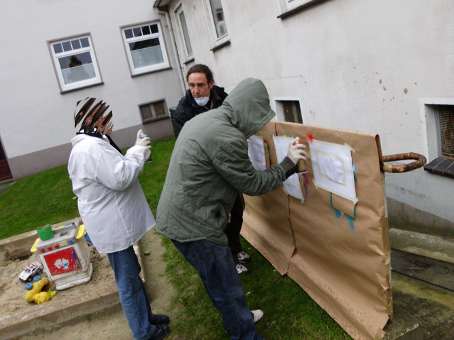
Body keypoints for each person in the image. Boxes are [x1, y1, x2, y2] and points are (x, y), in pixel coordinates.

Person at [156, 78, 307, 340]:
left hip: (180, 217)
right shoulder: (226, 137)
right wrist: (288, 163)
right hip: (195, 226)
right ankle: (244, 332)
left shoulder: (207, 120)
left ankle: (239, 318)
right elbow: (254, 184)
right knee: (226, 286)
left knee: (217, 280)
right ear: (248, 110)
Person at [67, 97, 170, 340]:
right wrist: (139, 151)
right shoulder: (90, 148)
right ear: (91, 120)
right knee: (127, 280)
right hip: (111, 224)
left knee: (132, 272)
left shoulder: (93, 143)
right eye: (104, 119)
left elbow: (115, 168)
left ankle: (146, 319)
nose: (109, 123)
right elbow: (120, 178)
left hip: (110, 221)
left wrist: (135, 151)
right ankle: (143, 332)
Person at [172, 64, 250, 275]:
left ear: (211, 84)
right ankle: (230, 260)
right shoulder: (182, 113)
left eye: (200, 85)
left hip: (229, 166)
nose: (195, 90)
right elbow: (186, 147)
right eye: (191, 86)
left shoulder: (224, 100)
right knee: (219, 220)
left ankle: (236, 247)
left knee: (237, 210)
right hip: (208, 174)